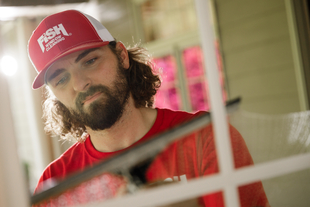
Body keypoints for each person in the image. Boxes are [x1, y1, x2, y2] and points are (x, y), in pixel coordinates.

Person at [28, 10, 269, 207]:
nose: (80, 83)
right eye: (60, 79)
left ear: (122, 56)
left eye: (90, 61)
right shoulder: (55, 184)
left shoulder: (205, 139)